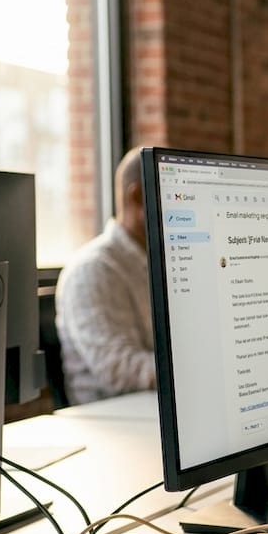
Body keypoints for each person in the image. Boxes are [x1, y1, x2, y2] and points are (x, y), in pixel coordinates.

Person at [55, 147, 156, 405]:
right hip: (112, 419)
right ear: (137, 198)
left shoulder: (157, 262)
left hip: (151, 408)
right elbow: (119, 370)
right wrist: (195, 371)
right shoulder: (91, 270)